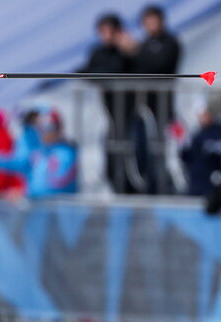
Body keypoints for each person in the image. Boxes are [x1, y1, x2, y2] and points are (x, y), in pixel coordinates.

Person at [121, 5, 182, 193]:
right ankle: (145, 188)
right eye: (147, 23)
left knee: (162, 153)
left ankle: (164, 189)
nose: (150, 26)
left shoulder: (170, 44)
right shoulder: (145, 45)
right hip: (142, 110)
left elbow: (159, 67)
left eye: (154, 21)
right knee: (141, 151)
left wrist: (136, 52)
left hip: (162, 109)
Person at [80, 12, 133, 192]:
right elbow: (87, 71)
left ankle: (129, 188)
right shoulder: (99, 52)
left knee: (129, 152)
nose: (107, 36)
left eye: (111, 31)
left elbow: (118, 69)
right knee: (110, 150)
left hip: (130, 112)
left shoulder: (127, 51)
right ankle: (115, 186)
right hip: (109, 112)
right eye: (103, 31)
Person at [0, 108, 78, 199]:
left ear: (58, 129)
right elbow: (19, 163)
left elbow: (54, 187)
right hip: (42, 210)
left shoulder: (64, 154)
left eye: (49, 128)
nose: (43, 132)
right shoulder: (41, 153)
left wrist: (24, 193)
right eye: (40, 128)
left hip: (58, 212)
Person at [177, 106, 221, 196]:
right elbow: (188, 157)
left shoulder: (219, 133)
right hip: (196, 181)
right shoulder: (197, 134)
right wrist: (182, 143)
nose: (202, 119)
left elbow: (219, 155)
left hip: (211, 183)